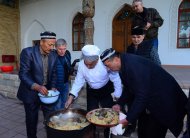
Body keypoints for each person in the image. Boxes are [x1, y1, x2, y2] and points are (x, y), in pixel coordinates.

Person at [100, 48, 187, 138]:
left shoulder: (133, 66)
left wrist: (128, 119)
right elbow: (129, 88)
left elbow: (142, 96)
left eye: (108, 65)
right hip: (149, 98)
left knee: (154, 132)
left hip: (164, 100)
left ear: (116, 59)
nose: (108, 69)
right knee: (142, 129)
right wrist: (120, 104)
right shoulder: (123, 63)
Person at [65, 45, 122, 138]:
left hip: (105, 90)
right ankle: (92, 134)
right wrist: (71, 97)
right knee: (90, 115)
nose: (88, 66)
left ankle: (107, 134)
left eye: (91, 64)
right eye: (86, 63)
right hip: (92, 91)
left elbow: (116, 78)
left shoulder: (104, 63)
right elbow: (78, 81)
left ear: (97, 60)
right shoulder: (81, 65)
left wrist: (117, 95)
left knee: (109, 114)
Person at [17, 31, 57, 138]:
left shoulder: (53, 55)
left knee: (50, 118)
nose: (52, 47)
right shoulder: (28, 52)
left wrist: (53, 87)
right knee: (31, 121)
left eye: (54, 45)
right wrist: (37, 86)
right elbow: (23, 74)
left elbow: (53, 73)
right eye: (50, 45)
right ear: (41, 42)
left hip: (46, 93)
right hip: (30, 93)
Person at [51, 38, 71, 110]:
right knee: (57, 106)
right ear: (56, 47)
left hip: (65, 84)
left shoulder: (68, 54)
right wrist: (52, 86)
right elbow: (50, 72)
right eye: (60, 49)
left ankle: (62, 119)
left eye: (64, 48)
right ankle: (56, 120)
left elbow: (68, 67)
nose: (62, 51)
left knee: (64, 104)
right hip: (56, 86)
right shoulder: (52, 56)